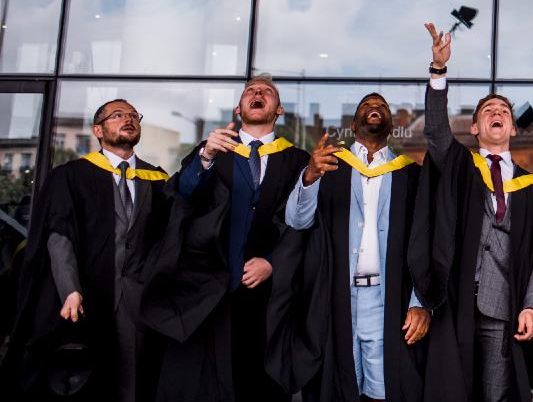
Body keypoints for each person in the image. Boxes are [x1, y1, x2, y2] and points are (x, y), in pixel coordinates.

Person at [142, 75, 311, 402]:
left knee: (261, 385)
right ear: (238, 108)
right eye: (251, 91)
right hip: (211, 289)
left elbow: (304, 224)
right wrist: (204, 156)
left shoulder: (297, 160)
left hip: (268, 296)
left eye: (267, 92)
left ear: (279, 111)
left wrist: (274, 262)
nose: (258, 93)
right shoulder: (213, 150)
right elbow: (181, 198)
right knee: (207, 382)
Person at [414, 23, 533, 402]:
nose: (497, 113)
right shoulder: (461, 165)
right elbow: (438, 132)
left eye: (503, 110)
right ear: (475, 126)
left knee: (495, 395)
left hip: (502, 303)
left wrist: (531, 305)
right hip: (453, 297)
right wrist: (438, 71)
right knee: (450, 390)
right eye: (488, 110)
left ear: (512, 127)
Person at [1, 99, 170, 402]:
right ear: (97, 129)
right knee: (86, 382)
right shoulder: (71, 175)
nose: (128, 120)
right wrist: (70, 289)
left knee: (136, 382)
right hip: (88, 296)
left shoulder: (157, 179)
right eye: (117, 115)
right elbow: (59, 236)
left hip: (140, 299)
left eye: (133, 115)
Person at [270, 92, 429, 401]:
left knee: (384, 389)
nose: (375, 108)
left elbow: (422, 243)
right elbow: (297, 220)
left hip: (387, 300)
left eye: (382, 106)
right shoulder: (327, 166)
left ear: (391, 124)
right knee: (338, 385)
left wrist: (419, 300)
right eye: (366, 106)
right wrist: (310, 176)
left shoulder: (410, 174)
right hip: (337, 296)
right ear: (354, 124)